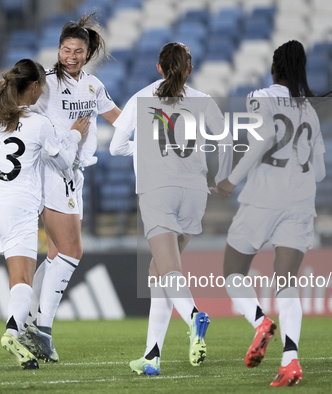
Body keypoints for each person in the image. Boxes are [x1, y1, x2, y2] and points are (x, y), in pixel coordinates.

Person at [0, 14, 121, 362]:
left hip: (74, 172)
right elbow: (1, 88)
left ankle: (31, 321)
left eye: (78, 51)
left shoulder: (93, 86)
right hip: (50, 168)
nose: (71, 56)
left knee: (59, 254)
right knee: (71, 251)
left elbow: (117, 119)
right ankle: (39, 327)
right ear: (58, 49)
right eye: (65, 49)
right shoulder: (43, 81)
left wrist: (153, 132)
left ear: (88, 53)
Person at [0, 59, 89, 370]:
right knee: (21, 280)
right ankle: (13, 331)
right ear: (36, 87)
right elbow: (65, 162)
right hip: (16, 208)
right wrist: (77, 134)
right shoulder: (39, 124)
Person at [110, 42, 233, 376]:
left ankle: (194, 316)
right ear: (189, 69)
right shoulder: (203, 100)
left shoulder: (140, 98)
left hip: (157, 192)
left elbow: (115, 145)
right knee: (159, 273)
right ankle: (152, 356)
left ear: (158, 67)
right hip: (195, 192)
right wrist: (223, 179)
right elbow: (226, 142)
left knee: (169, 271)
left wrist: (143, 145)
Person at [214, 40, 326, 387]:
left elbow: (260, 141)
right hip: (301, 201)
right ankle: (291, 360)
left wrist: (231, 180)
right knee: (287, 282)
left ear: (275, 67)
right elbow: (320, 171)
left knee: (232, 270)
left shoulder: (259, 96)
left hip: (264, 198)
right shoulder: (309, 110)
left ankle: (261, 322)